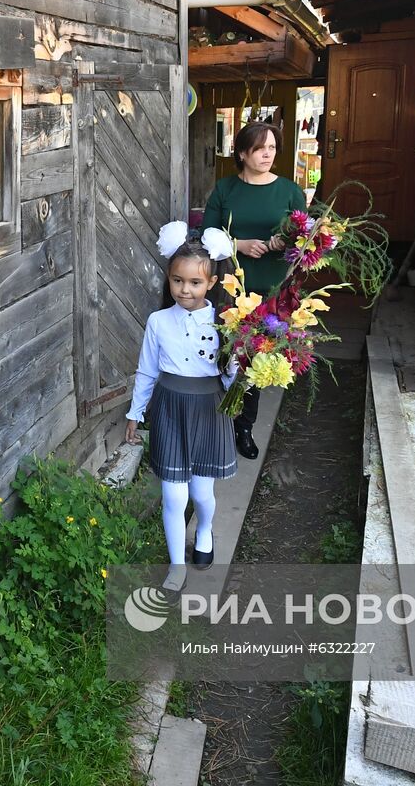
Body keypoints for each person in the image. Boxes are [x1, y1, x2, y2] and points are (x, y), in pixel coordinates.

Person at [125, 222, 236, 593]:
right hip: (170, 407)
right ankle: (176, 565)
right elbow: (146, 369)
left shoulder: (227, 323)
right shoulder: (158, 321)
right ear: (168, 280)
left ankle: (204, 529)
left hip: (209, 408)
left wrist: (239, 364)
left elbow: (229, 380)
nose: (185, 290)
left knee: (202, 493)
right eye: (177, 281)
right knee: (174, 494)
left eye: (194, 283)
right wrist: (135, 412)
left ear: (212, 284)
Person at [202, 121, 306, 461]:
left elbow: (305, 239)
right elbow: (206, 236)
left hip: (273, 288)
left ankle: (244, 426)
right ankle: (213, 420)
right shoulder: (225, 189)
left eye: (273, 148)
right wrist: (240, 243)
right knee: (224, 352)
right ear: (243, 152)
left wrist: (284, 241)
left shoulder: (290, 191)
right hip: (232, 285)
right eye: (261, 148)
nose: (267, 154)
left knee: (257, 356)